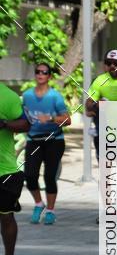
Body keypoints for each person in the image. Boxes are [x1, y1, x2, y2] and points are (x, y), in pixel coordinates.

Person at [22, 63, 71, 224]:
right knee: (30, 175)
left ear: (49, 76)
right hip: (34, 140)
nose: (40, 74)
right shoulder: (27, 95)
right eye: (38, 72)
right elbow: (23, 117)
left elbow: (67, 120)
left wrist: (50, 118)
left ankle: (50, 210)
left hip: (53, 140)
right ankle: (38, 204)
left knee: (49, 176)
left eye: (44, 72)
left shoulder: (55, 96)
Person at [0, 83, 29, 255]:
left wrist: (4, 124)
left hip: (5, 171)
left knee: (5, 216)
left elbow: (25, 124)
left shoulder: (7, 96)